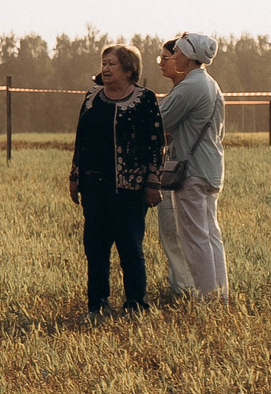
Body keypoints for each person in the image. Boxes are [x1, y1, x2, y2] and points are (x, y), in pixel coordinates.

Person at [68, 43, 163, 316]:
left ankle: (136, 304)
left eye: (112, 64)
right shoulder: (92, 97)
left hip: (130, 189)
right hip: (94, 186)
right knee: (95, 248)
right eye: (104, 63)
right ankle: (97, 305)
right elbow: (80, 139)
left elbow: (156, 144)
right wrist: (74, 176)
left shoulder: (144, 99)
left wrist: (153, 182)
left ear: (129, 69)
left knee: (130, 247)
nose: (106, 69)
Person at [154, 32, 230, 299]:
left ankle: (207, 296)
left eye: (177, 52)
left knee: (194, 237)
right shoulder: (211, 84)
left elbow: (160, 120)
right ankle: (220, 295)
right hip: (211, 168)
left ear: (188, 56)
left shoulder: (190, 86)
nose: (173, 56)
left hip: (192, 171)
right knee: (210, 234)